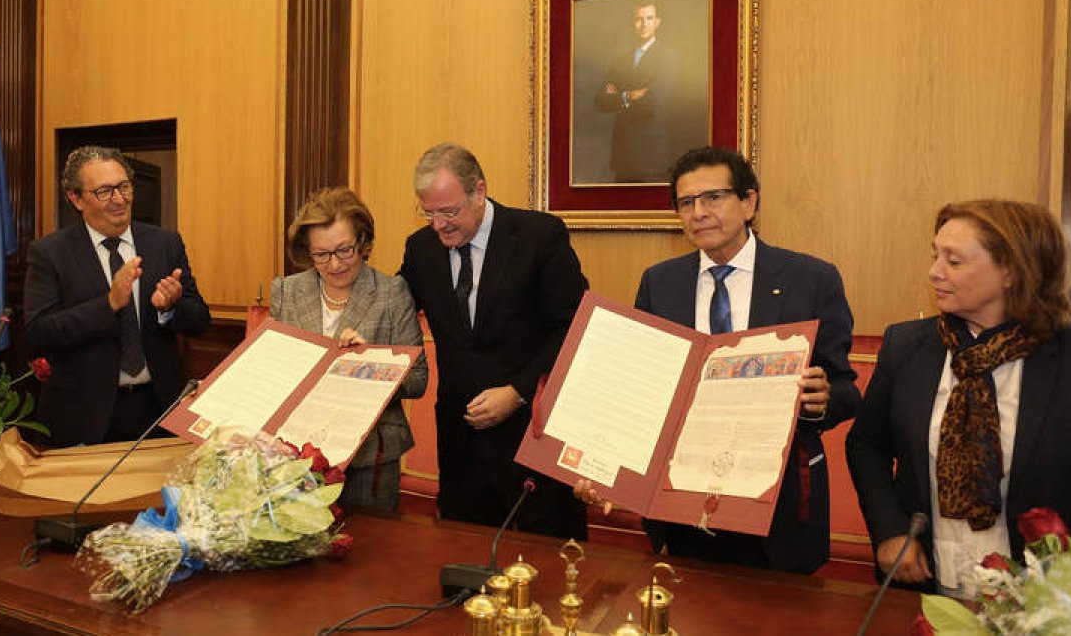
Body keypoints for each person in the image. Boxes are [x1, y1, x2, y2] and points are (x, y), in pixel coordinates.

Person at [577, 145, 860, 574]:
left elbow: (845, 388)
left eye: (713, 197)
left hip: (777, 499)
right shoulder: (660, 283)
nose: (698, 212)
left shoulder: (811, 279)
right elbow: (644, 394)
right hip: (682, 499)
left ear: (749, 202)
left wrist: (823, 401)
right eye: (686, 203)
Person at [847, 200, 1071, 597]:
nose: (935, 272)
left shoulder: (1064, 357)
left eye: (954, 261)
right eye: (935, 256)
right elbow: (867, 444)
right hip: (928, 584)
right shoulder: (907, 346)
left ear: (1012, 270)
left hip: (1045, 595)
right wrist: (891, 531)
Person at [399, 142, 588, 540]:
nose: (439, 225)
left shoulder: (539, 236)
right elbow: (392, 307)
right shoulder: (420, 250)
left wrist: (518, 391)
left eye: (449, 211)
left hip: (532, 435)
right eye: (429, 212)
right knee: (465, 565)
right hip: (462, 444)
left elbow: (574, 326)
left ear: (479, 192)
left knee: (548, 569)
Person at [25, 146, 211, 447]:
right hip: (82, 416)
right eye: (104, 191)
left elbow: (200, 321)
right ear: (76, 198)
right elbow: (39, 333)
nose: (120, 199)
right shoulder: (49, 253)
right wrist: (108, 305)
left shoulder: (164, 243)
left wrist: (172, 307)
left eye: (124, 186)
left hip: (159, 410)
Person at [268, 187, 427, 512]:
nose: (335, 264)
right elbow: (275, 374)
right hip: (298, 453)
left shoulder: (390, 292)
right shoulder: (287, 292)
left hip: (372, 456)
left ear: (363, 241)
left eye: (344, 250)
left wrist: (369, 361)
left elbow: (418, 380)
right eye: (321, 254)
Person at [593, 3, 676, 183]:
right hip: (622, 153)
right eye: (639, 19)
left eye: (649, 18)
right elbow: (600, 101)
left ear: (657, 22)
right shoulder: (620, 60)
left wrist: (617, 97)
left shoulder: (667, 57)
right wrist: (628, 96)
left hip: (650, 153)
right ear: (633, 23)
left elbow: (653, 102)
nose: (644, 24)